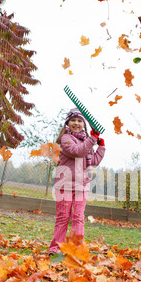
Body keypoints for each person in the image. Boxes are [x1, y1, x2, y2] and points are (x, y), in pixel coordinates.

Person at [49, 107, 105, 255]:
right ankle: (55, 248)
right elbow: (77, 151)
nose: (76, 123)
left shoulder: (86, 141)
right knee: (63, 218)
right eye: (73, 120)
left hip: (81, 186)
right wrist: (92, 139)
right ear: (68, 123)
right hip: (65, 186)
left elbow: (93, 160)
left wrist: (101, 146)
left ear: (83, 124)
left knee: (78, 218)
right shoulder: (65, 139)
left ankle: (76, 249)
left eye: (80, 121)